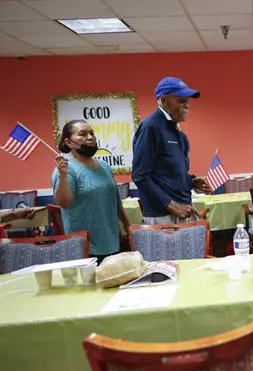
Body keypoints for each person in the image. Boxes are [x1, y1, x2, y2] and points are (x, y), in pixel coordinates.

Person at [132, 77, 211, 225]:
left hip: (184, 209)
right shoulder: (151, 127)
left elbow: (168, 170)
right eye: (181, 101)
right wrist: (170, 204)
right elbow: (140, 175)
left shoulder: (176, 130)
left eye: (187, 101)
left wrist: (191, 181)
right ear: (163, 100)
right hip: (164, 215)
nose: (187, 106)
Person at [52, 120, 130, 264]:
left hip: (112, 241)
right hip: (84, 246)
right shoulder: (67, 169)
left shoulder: (104, 166)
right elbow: (64, 203)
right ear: (69, 143)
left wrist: (127, 226)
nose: (90, 137)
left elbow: (115, 201)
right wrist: (62, 176)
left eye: (91, 133)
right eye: (82, 134)